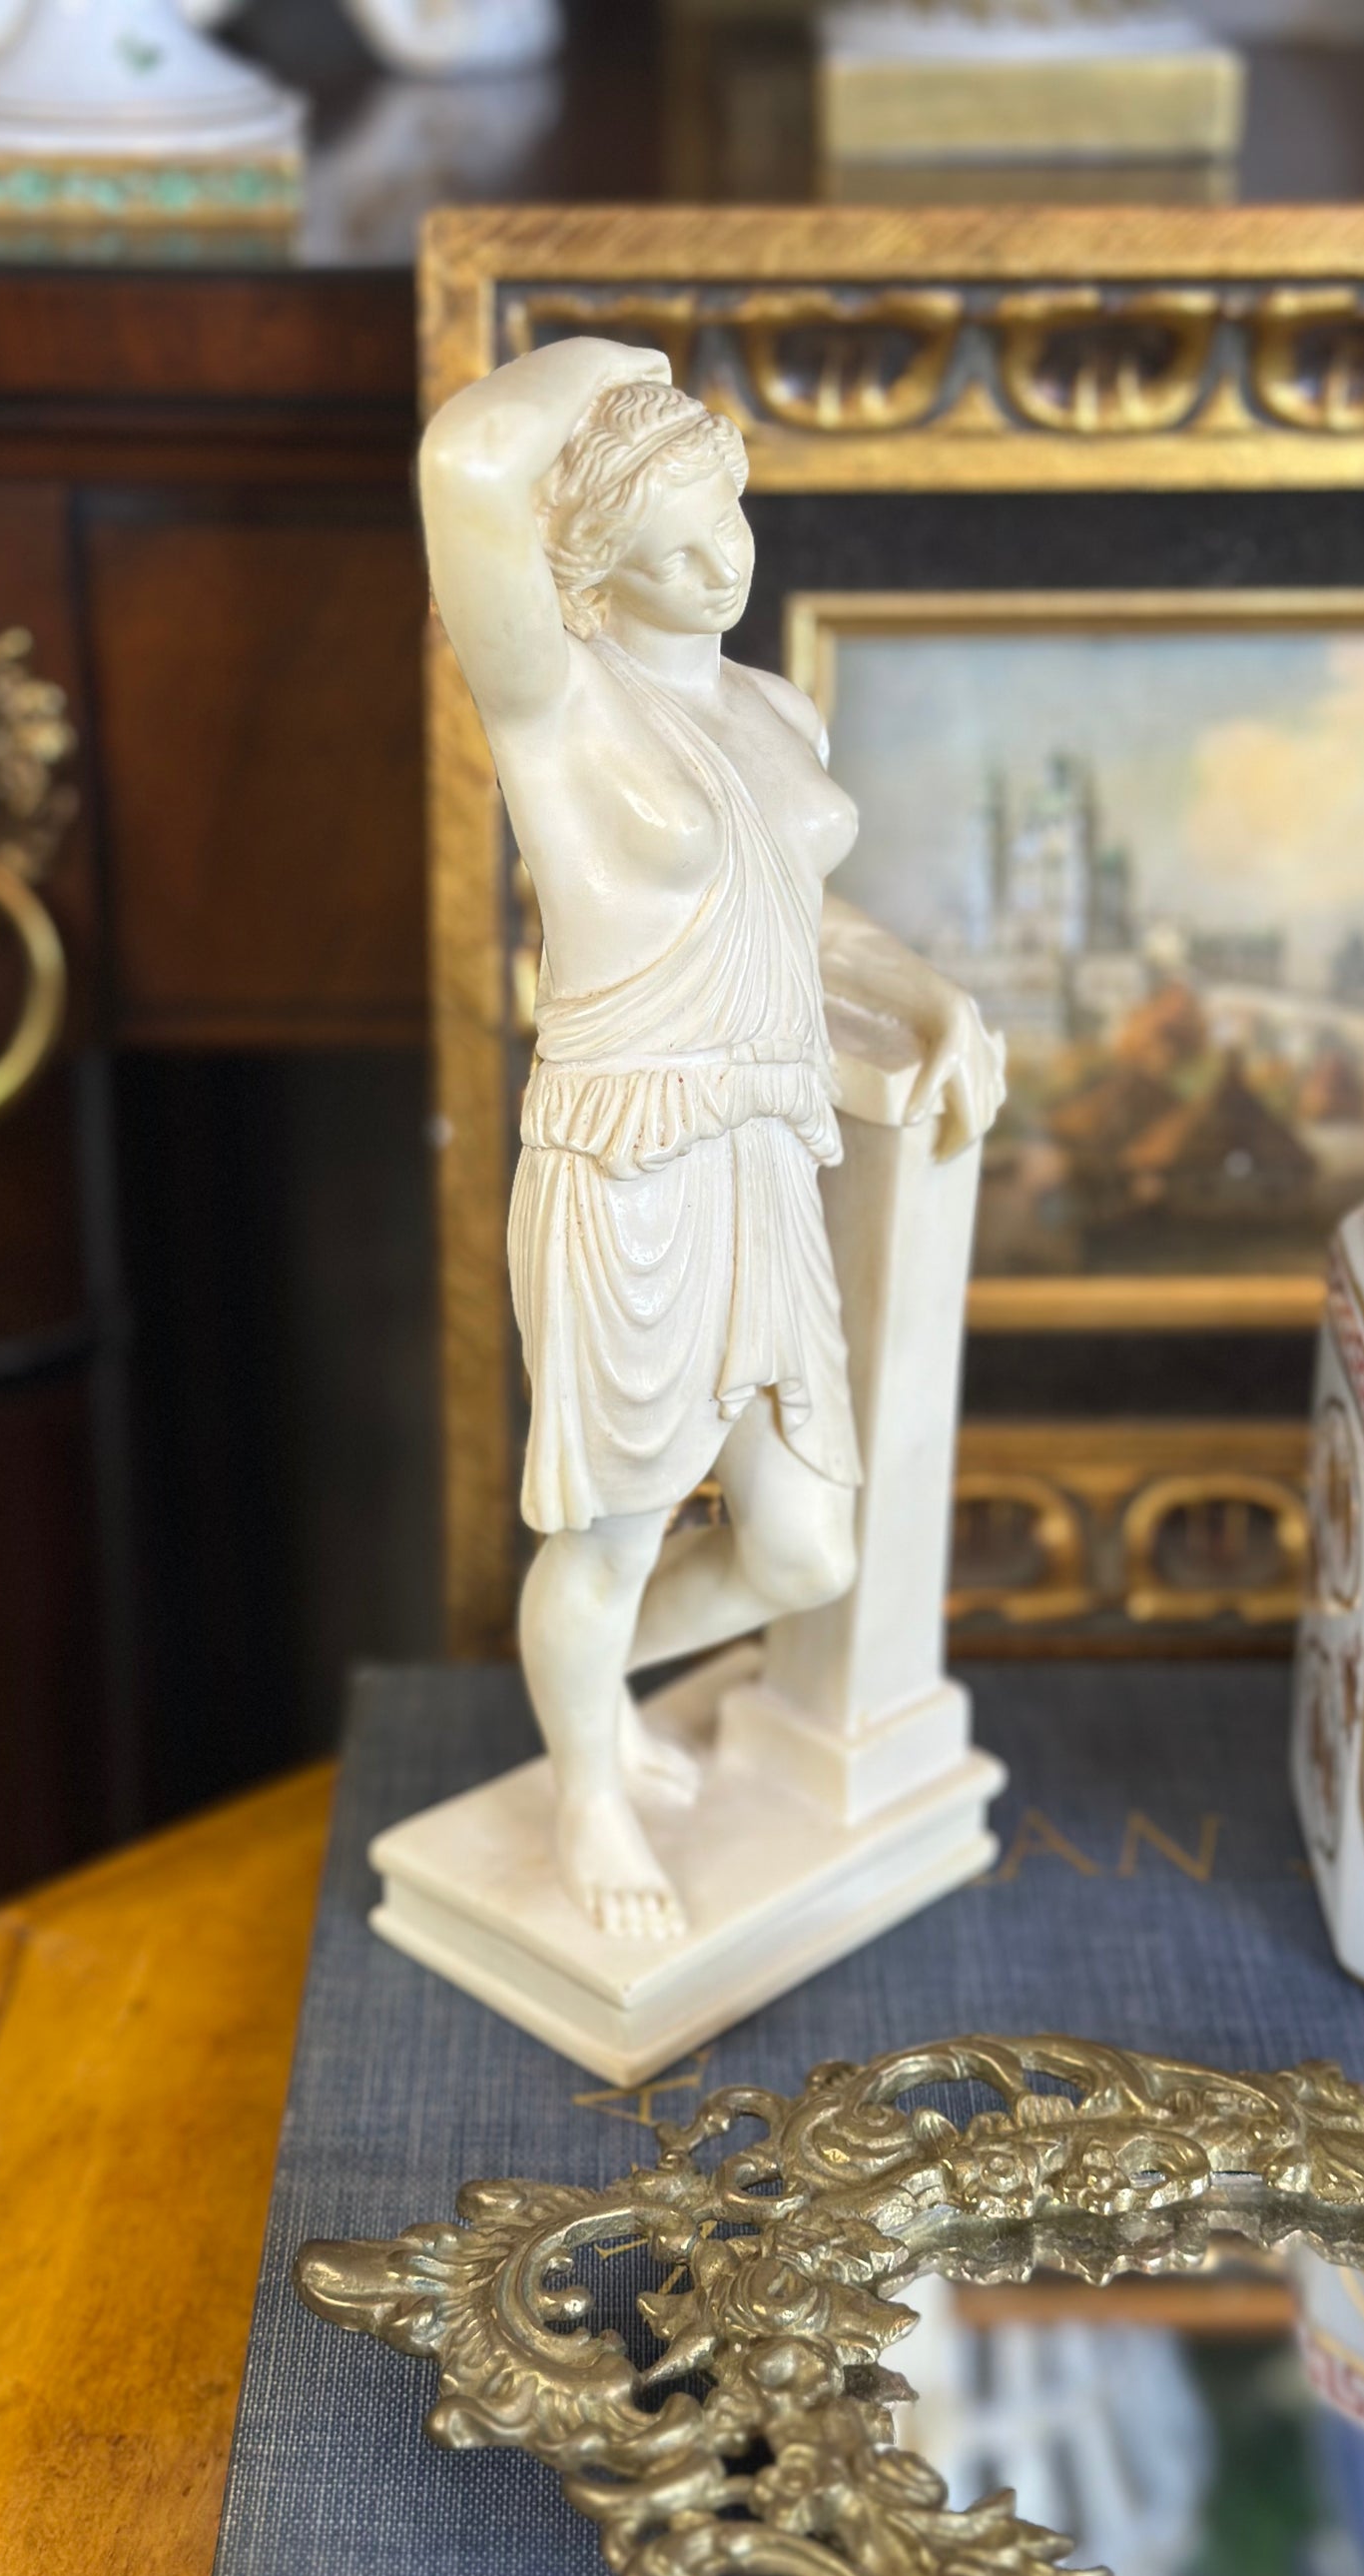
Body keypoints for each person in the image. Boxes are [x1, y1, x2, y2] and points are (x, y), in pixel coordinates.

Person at [419, 337, 1004, 1943]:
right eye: (673, 550)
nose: (719, 567)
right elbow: (467, 467)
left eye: (726, 523)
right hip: (629, 1162)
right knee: (610, 1532)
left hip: (761, 1157)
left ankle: (584, 1697)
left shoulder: (768, 707)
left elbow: (797, 913)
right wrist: (618, 363)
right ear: (597, 571)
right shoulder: (555, 701)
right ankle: (587, 1783)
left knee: (802, 1550)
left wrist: (925, 990)